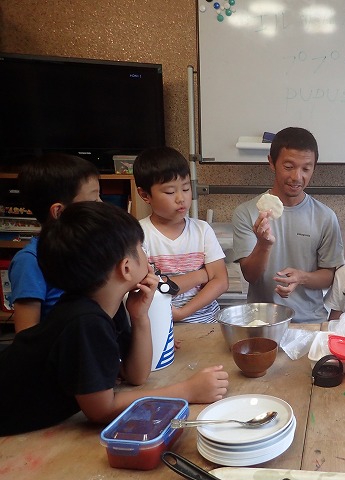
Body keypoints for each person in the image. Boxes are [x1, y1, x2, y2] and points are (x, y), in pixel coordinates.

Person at [0, 202, 229, 436]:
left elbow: (136, 375)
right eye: (141, 248)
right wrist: (187, 391)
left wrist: (139, 316)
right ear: (126, 268)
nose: (147, 257)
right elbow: (101, 411)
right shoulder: (85, 322)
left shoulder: (107, 305)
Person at [232, 127, 344, 323]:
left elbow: (329, 276)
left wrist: (301, 277)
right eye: (289, 166)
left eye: (306, 169)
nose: (297, 177)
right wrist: (263, 245)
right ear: (271, 163)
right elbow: (250, 276)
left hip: (311, 322)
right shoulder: (247, 212)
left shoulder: (325, 217)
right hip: (262, 322)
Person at [8, 153, 102, 333]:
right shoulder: (30, 261)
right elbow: (26, 336)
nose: (102, 205)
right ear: (58, 212)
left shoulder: (89, 248)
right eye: (94, 200)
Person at [134, 146, 228, 323]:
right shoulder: (138, 235)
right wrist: (201, 275)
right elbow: (147, 287)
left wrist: (183, 312)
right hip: (159, 324)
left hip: (207, 322)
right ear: (145, 195)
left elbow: (221, 281)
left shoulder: (202, 230)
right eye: (170, 192)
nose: (181, 198)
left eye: (185, 189)